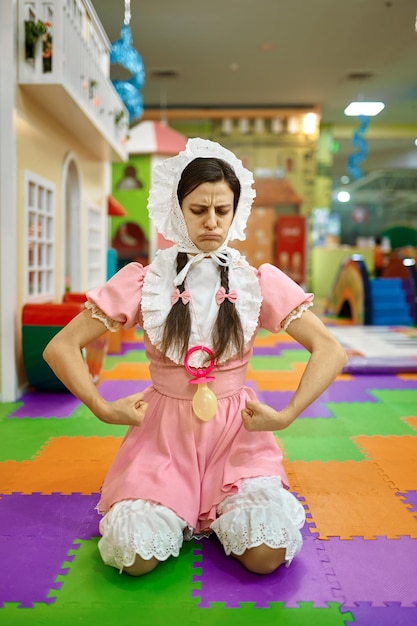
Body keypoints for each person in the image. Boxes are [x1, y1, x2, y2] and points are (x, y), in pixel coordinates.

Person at [43, 138, 347, 578]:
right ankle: (175, 507)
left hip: (236, 436)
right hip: (164, 435)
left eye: (222, 210)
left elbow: (330, 349)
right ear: (178, 209)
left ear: (235, 212)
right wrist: (103, 408)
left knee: (266, 555)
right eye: (198, 209)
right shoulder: (145, 282)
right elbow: (61, 346)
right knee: (135, 556)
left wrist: (287, 415)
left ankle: (215, 513)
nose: (211, 222)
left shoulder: (256, 281)